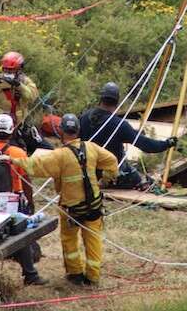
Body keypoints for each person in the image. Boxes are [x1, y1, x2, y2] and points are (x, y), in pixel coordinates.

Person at [11, 113, 118, 286]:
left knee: (69, 239)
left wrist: (11, 160)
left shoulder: (60, 155)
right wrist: (106, 179)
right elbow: (112, 161)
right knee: (93, 240)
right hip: (94, 206)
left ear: (61, 131)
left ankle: (75, 273)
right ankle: (92, 277)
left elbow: (34, 165)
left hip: (71, 209)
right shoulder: (92, 148)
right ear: (77, 130)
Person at [0, 114, 47, 286]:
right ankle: (30, 274)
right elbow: (27, 182)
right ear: (11, 131)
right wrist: (30, 202)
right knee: (22, 234)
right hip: (12, 203)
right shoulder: (18, 153)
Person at [79, 82, 178, 190]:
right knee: (137, 178)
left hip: (86, 172)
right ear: (117, 102)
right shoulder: (119, 125)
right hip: (108, 175)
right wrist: (167, 144)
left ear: (101, 99)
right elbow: (147, 146)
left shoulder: (84, 117)